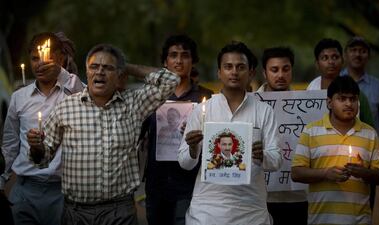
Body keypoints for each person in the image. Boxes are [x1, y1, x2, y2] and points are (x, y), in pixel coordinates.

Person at [26, 44, 180, 225]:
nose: (100, 72)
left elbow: (171, 79)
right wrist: (36, 147)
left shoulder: (135, 104)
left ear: (119, 75)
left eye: (107, 68)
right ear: (87, 72)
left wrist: (126, 66)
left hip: (120, 212)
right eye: (94, 67)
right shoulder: (65, 107)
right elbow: (42, 159)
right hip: (76, 213)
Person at [178, 41, 282, 224]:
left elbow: (276, 160)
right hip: (206, 212)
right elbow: (185, 163)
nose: (234, 72)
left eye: (240, 67)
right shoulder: (202, 111)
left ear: (251, 73)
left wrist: (261, 155)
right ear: (219, 72)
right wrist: (193, 148)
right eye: (228, 67)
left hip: (251, 212)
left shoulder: (264, 111)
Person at [1, 32, 84, 225]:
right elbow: (10, 144)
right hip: (25, 191)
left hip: (63, 192)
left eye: (47, 58)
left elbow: (84, 94)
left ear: (61, 58)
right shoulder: (19, 97)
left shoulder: (74, 94)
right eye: (35, 58)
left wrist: (61, 73)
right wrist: (1, 180)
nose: (39, 64)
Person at [129, 34, 213, 225]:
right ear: (165, 62)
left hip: (192, 183)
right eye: (173, 55)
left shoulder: (206, 97)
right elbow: (135, 136)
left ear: (193, 61)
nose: (179, 60)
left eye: (185, 55)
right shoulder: (150, 97)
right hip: (157, 182)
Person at [292, 76, 379, 225]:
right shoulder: (311, 131)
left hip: (359, 221)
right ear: (329, 102)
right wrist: (326, 173)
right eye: (342, 99)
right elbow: (296, 173)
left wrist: (364, 173)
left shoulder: (370, 134)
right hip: (320, 219)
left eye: (353, 99)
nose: (348, 104)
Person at [257, 47, 308, 225]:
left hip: (297, 196)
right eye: (274, 70)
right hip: (259, 197)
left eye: (285, 69)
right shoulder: (251, 104)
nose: (280, 75)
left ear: (292, 70)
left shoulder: (308, 106)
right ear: (264, 73)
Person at [307, 38, 375, 128]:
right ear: (317, 63)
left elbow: (370, 130)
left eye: (335, 57)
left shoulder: (358, 96)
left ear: (342, 61)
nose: (331, 62)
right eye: (325, 58)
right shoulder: (308, 93)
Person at [342, 36, 379, 133]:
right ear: (345, 55)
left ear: (369, 56)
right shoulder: (334, 83)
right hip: (337, 145)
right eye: (353, 50)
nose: (357, 54)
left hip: (370, 145)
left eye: (362, 51)